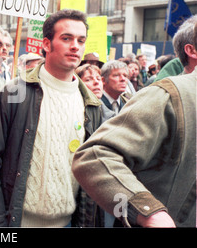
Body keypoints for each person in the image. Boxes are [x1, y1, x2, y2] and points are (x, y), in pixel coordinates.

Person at [0, 9, 103, 227]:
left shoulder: (91, 104)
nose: (75, 46)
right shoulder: (13, 93)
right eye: (66, 38)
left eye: (81, 40)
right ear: (46, 44)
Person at [71, 20, 197, 228]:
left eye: (125, 75)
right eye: (117, 76)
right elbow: (94, 156)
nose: (125, 78)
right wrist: (149, 211)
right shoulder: (168, 95)